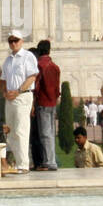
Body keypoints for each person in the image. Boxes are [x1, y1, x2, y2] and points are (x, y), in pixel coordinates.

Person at [0, 31, 38, 173]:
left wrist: (18, 91)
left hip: (22, 97)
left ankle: (23, 165)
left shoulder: (28, 57)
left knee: (21, 130)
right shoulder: (8, 60)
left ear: (21, 41)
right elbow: (3, 81)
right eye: (11, 41)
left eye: (16, 40)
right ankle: (15, 162)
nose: (13, 43)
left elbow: (32, 77)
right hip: (10, 99)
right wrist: (4, 92)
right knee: (10, 131)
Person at [33, 40, 60, 171]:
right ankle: (51, 159)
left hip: (42, 102)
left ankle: (49, 161)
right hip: (52, 103)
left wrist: (34, 100)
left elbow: (36, 86)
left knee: (44, 133)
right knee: (50, 132)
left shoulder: (39, 66)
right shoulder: (55, 66)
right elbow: (57, 89)